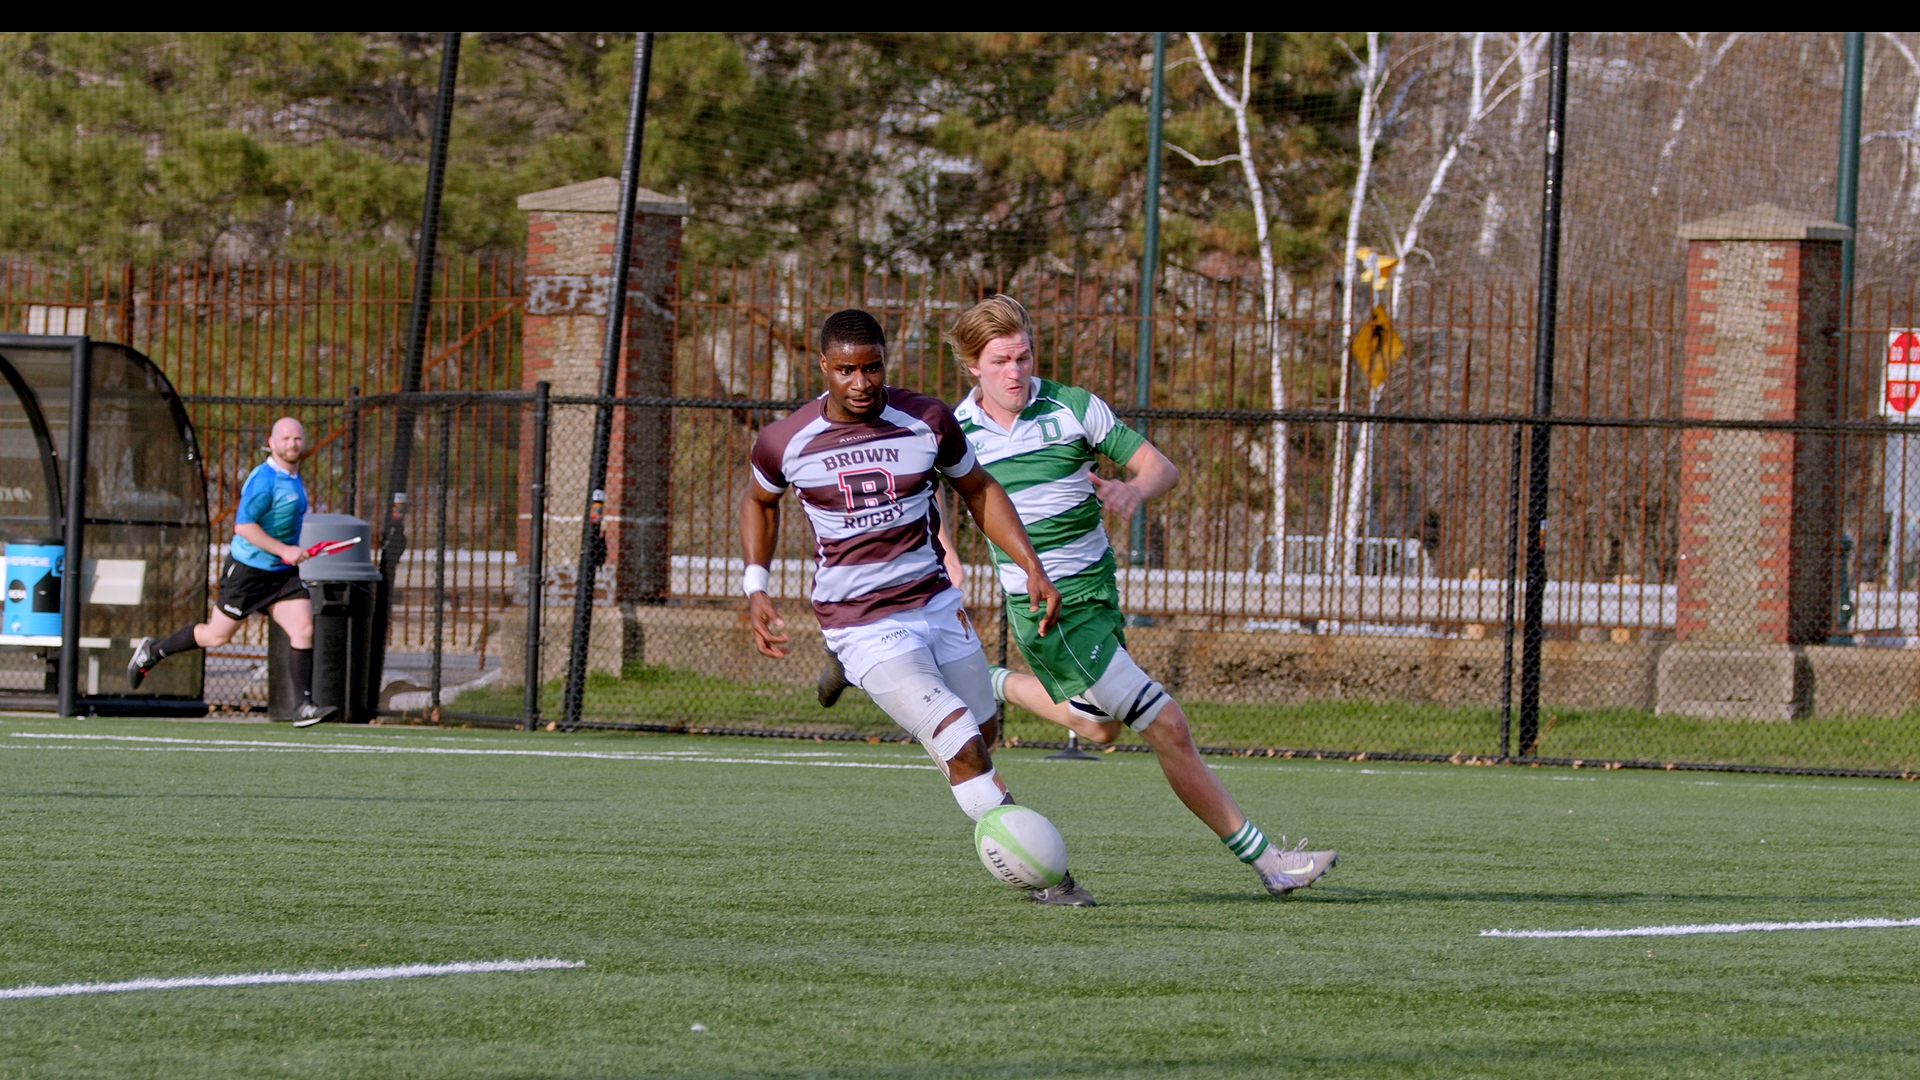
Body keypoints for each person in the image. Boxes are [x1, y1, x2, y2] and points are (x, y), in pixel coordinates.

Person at [949, 294, 1336, 897]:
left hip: (1098, 595)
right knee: (1167, 725)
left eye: (1024, 356)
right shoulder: (958, 430)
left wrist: (1134, 491)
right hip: (1050, 613)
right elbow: (921, 498)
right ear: (972, 364)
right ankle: (1270, 863)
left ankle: (990, 681)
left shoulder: (1073, 408)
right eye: (1001, 360)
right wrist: (946, 556)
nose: (1016, 372)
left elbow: (1162, 467)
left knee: (1101, 732)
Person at [743, 308, 1094, 905]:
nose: (862, 383)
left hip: (934, 603)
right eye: (847, 371)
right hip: (861, 622)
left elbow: (979, 489)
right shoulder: (785, 440)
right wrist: (756, 585)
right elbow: (760, 501)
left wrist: (1032, 565)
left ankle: (851, 675)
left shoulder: (927, 420)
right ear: (823, 367)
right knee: (960, 740)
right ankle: (1046, 875)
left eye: (872, 367)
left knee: (981, 731)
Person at [128, 417, 337, 728]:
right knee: (217, 636)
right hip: (248, 572)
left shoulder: (293, 475)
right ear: (272, 441)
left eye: (297, 439)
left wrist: (290, 552)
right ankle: (153, 650)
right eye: (286, 439)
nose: (292, 444)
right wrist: (284, 550)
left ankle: (303, 706)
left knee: (303, 629)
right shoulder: (264, 480)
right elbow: (243, 526)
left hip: (280, 575)